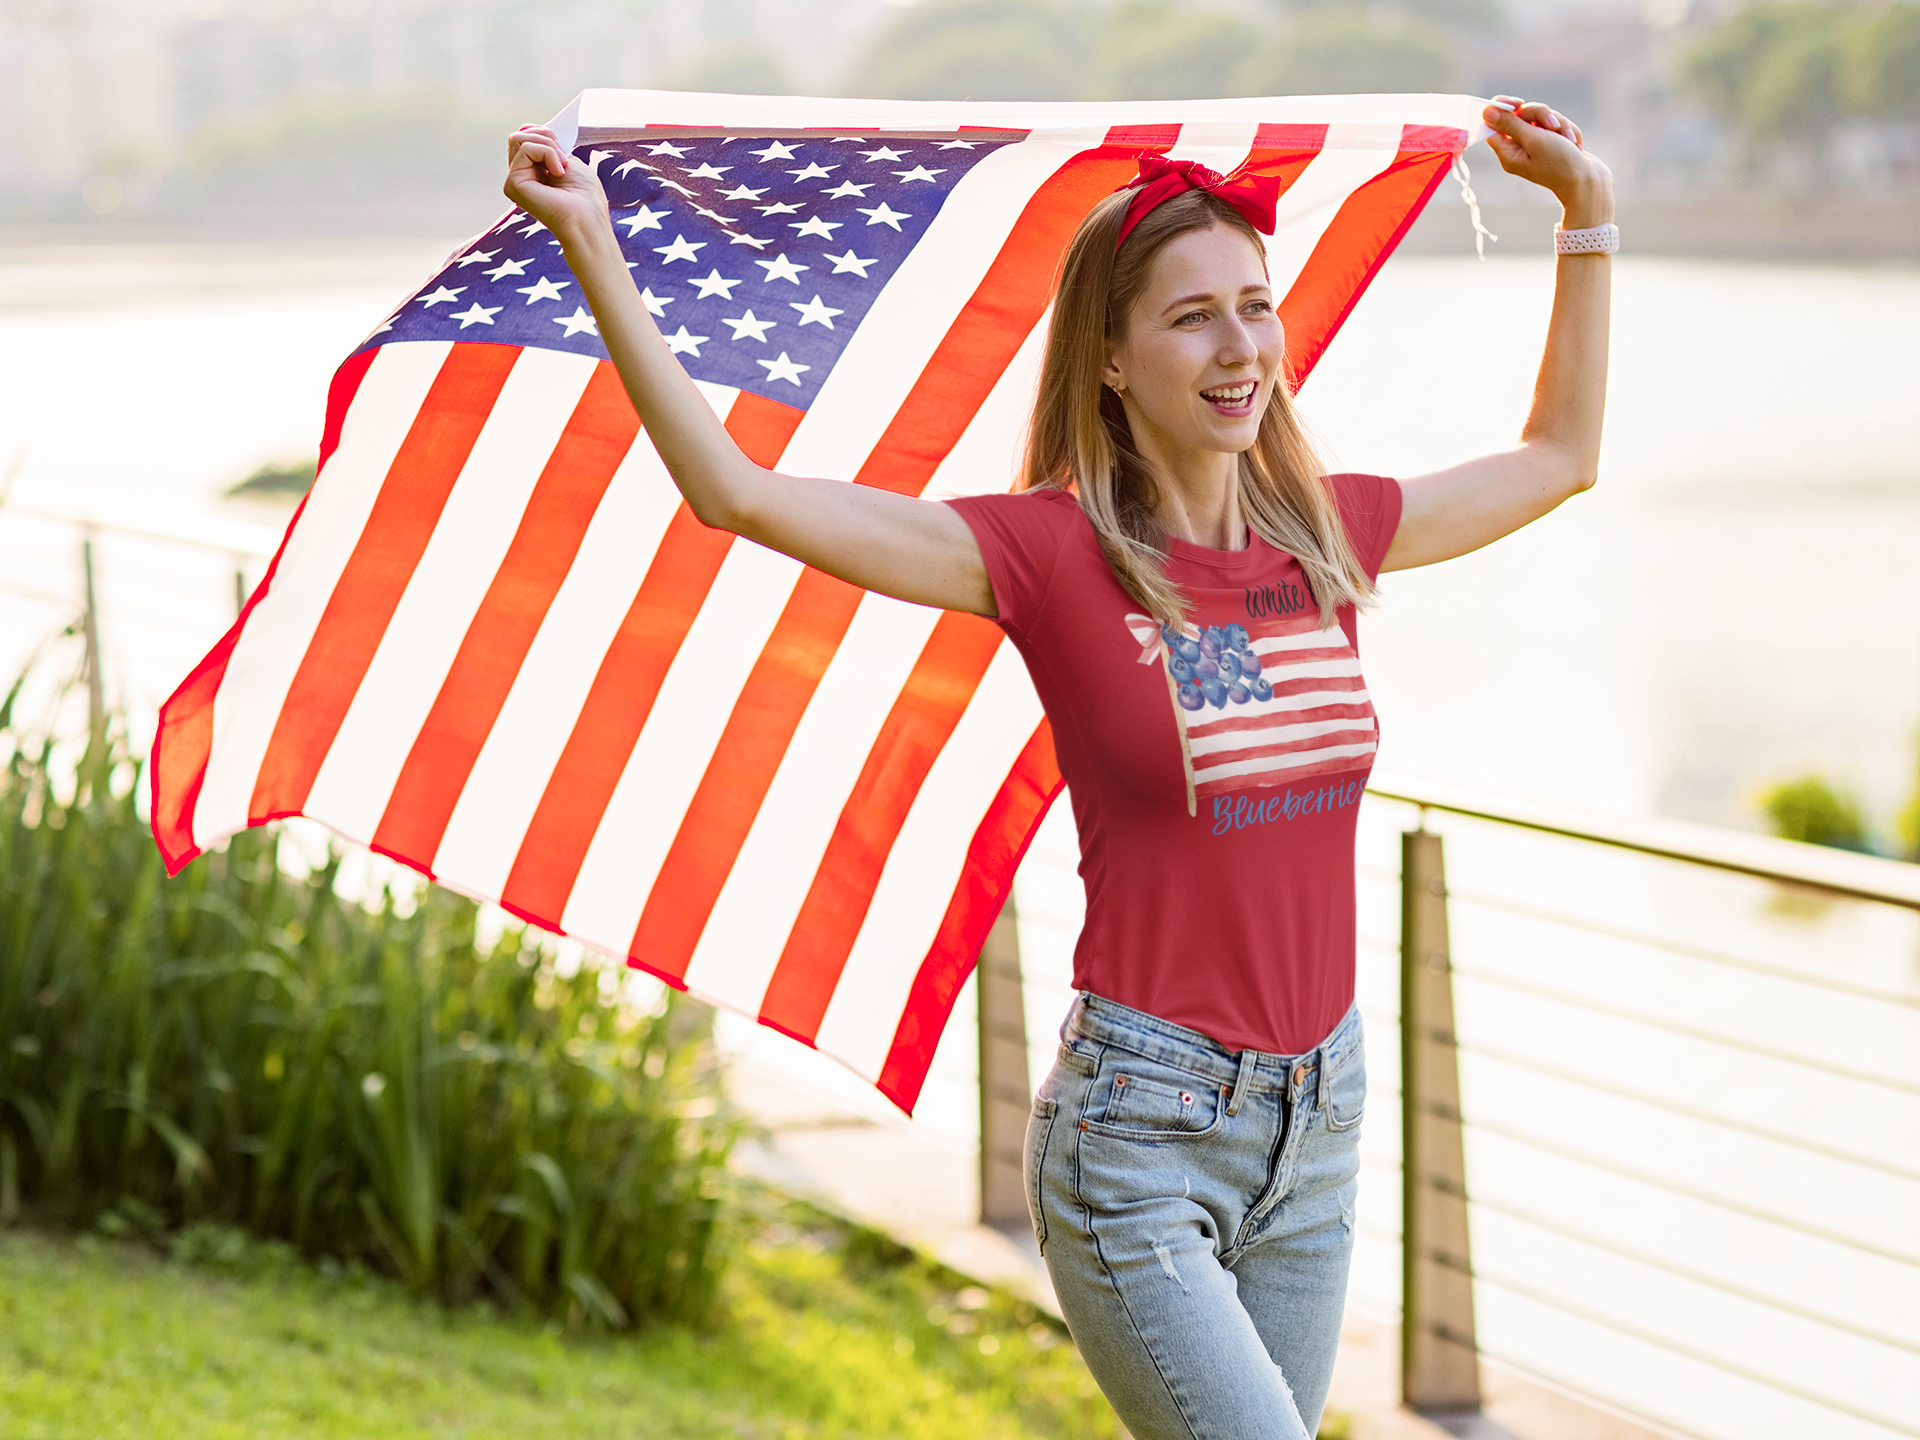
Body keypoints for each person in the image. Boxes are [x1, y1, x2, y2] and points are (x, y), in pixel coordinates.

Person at [504, 95, 1611, 1440]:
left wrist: (1587, 216)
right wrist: (595, 251)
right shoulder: (1046, 553)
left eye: (1256, 307)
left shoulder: (1327, 535)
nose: (1239, 345)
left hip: (1318, 1120)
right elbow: (739, 492)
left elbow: (1561, 459)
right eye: (1193, 315)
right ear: (1110, 356)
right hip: (1139, 1135)